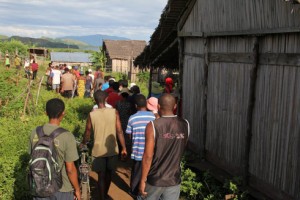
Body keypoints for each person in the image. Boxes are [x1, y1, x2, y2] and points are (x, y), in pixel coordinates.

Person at [139, 94, 190, 200]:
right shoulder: (185, 124)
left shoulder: (152, 125)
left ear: (158, 107)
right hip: (174, 179)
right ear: (175, 106)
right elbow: (182, 148)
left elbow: (148, 156)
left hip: (154, 179)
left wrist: (143, 180)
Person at [28, 98, 81, 200]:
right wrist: (77, 189)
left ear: (46, 113)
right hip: (62, 189)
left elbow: (32, 158)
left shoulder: (34, 132)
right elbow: (70, 169)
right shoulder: (67, 136)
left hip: (39, 187)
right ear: (63, 113)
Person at [81, 90, 127, 200]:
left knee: (101, 175)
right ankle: (105, 193)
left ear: (95, 100)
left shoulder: (92, 114)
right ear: (106, 99)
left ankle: (102, 197)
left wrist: (83, 143)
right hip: (112, 148)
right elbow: (119, 130)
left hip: (98, 149)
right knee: (109, 173)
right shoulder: (114, 112)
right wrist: (124, 148)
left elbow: (87, 132)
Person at [126, 94, 155, 197]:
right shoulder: (153, 117)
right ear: (146, 104)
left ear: (135, 105)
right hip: (151, 152)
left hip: (138, 151)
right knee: (149, 172)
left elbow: (129, 135)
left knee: (136, 173)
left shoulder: (132, 118)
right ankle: (146, 191)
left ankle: (134, 191)